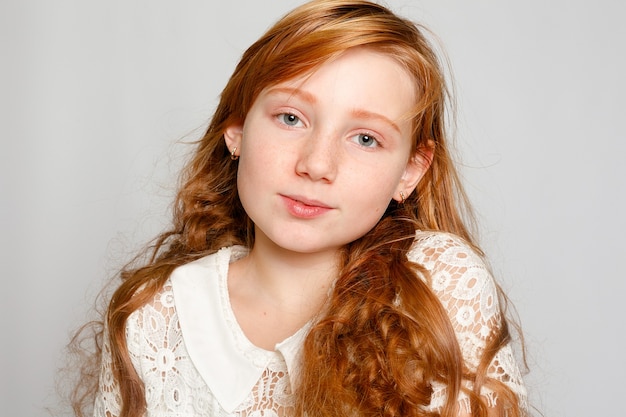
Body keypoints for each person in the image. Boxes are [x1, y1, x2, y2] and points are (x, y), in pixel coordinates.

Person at [70, 0, 528, 416]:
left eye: (365, 138)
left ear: (409, 172)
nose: (316, 165)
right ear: (237, 128)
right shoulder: (153, 319)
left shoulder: (439, 285)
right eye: (291, 118)